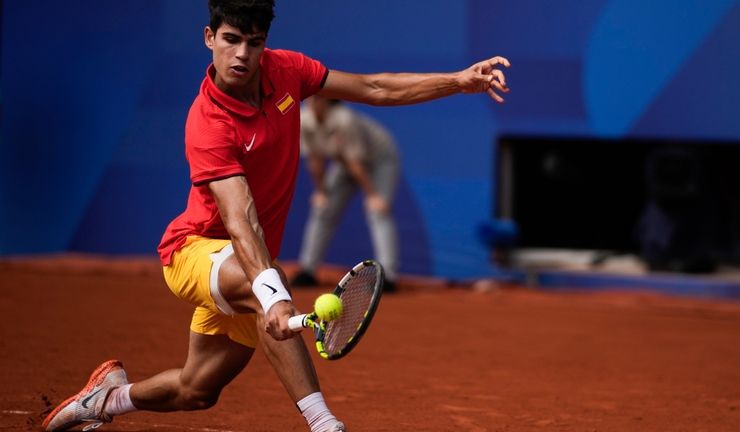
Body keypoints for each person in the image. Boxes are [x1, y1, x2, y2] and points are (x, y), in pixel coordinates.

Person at [42, 1, 510, 431]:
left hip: (247, 264)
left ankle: (105, 399)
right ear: (209, 37)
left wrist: (458, 80)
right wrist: (272, 294)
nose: (242, 54)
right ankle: (325, 424)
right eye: (231, 39)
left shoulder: (287, 71)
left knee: (197, 390)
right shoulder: (207, 122)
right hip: (193, 252)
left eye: (254, 41)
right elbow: (239, 215)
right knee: (264, 283)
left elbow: (373, 86)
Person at [292, 96, 400, 292]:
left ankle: (388, 277)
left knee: (378, 212)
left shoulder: (345, 119)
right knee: (322, 210)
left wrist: (373, 195)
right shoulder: (304, 120)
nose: (312, 102)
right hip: (345, 164)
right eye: (310, 98)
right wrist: (321, 192)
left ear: (328, 101)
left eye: (317, 99)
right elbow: (315, 159)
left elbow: (355, 164)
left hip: (379, 160)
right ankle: (308, 269)